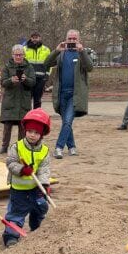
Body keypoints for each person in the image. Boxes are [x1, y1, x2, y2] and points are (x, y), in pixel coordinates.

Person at [3, 108, 52, 247]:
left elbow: (44, 169)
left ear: (42, 134)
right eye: (30, 131)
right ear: (25, 130)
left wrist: (45, 185)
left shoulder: (44, 151)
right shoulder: (17, 147)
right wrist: (22, 170)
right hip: (19, 189)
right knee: (16, 213)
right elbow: (10, 163)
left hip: (35, 189)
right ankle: (11, 236)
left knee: (41, 208)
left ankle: (37, 230)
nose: (32, 135)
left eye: (36, 132)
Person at [43, 29, 92, 158]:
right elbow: (46, 63)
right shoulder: (61, 54)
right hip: (61, 93)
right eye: (69, 39)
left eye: (74, 39)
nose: (71, 41)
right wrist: (56, 50)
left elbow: (90, 67)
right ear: (65, 39)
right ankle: (72, 147)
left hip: (75, 94)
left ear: (78, 40)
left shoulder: (82, 53)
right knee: (66, 121)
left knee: (68, 121)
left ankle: (59, 147)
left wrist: (82, 52)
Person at [0, 44, 35, 154]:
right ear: (12, 55)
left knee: (23, 127)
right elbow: (3, 82)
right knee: (7, 127)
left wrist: (25, 79)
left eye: (20, 55)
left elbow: (33, 82)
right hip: (10, 101)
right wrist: (11, 80)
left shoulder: (29, 67)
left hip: (24, 100)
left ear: (24, 55)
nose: (18, 57)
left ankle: (21, 147)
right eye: (16, 55)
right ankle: (4, 146)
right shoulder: (7, 67)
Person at [24, 31, 51, 108]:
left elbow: (50, 64)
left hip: (41, 79)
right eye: (33, 37)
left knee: (38, 99)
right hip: (28, 78)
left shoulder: (46, 50)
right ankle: (26, 116)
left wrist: (47, 75)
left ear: (40, 38)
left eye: (37, 37)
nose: (35, 39)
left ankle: (36, 117)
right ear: (30, 38)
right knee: (27, 99)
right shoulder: (24, 49)